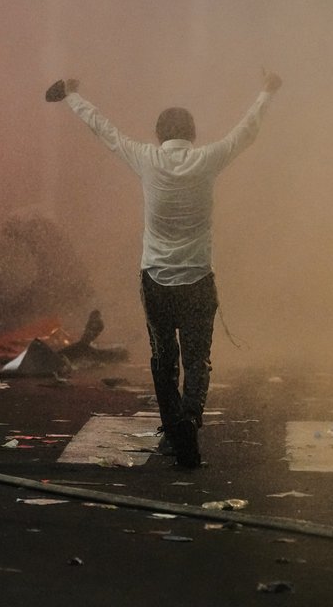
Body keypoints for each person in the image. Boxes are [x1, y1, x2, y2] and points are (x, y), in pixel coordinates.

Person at [46, 71, 282, 467]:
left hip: (155, 279)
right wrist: (266, 92)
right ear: (192, 133)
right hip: (198, 280)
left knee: (164, 362)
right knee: (197, 360)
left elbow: (104, 131)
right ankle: (190, 419)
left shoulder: (146, 159)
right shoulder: (207, 160)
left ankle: (175, 428)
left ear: (159, 135)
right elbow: (247, 132)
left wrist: (71, 97)